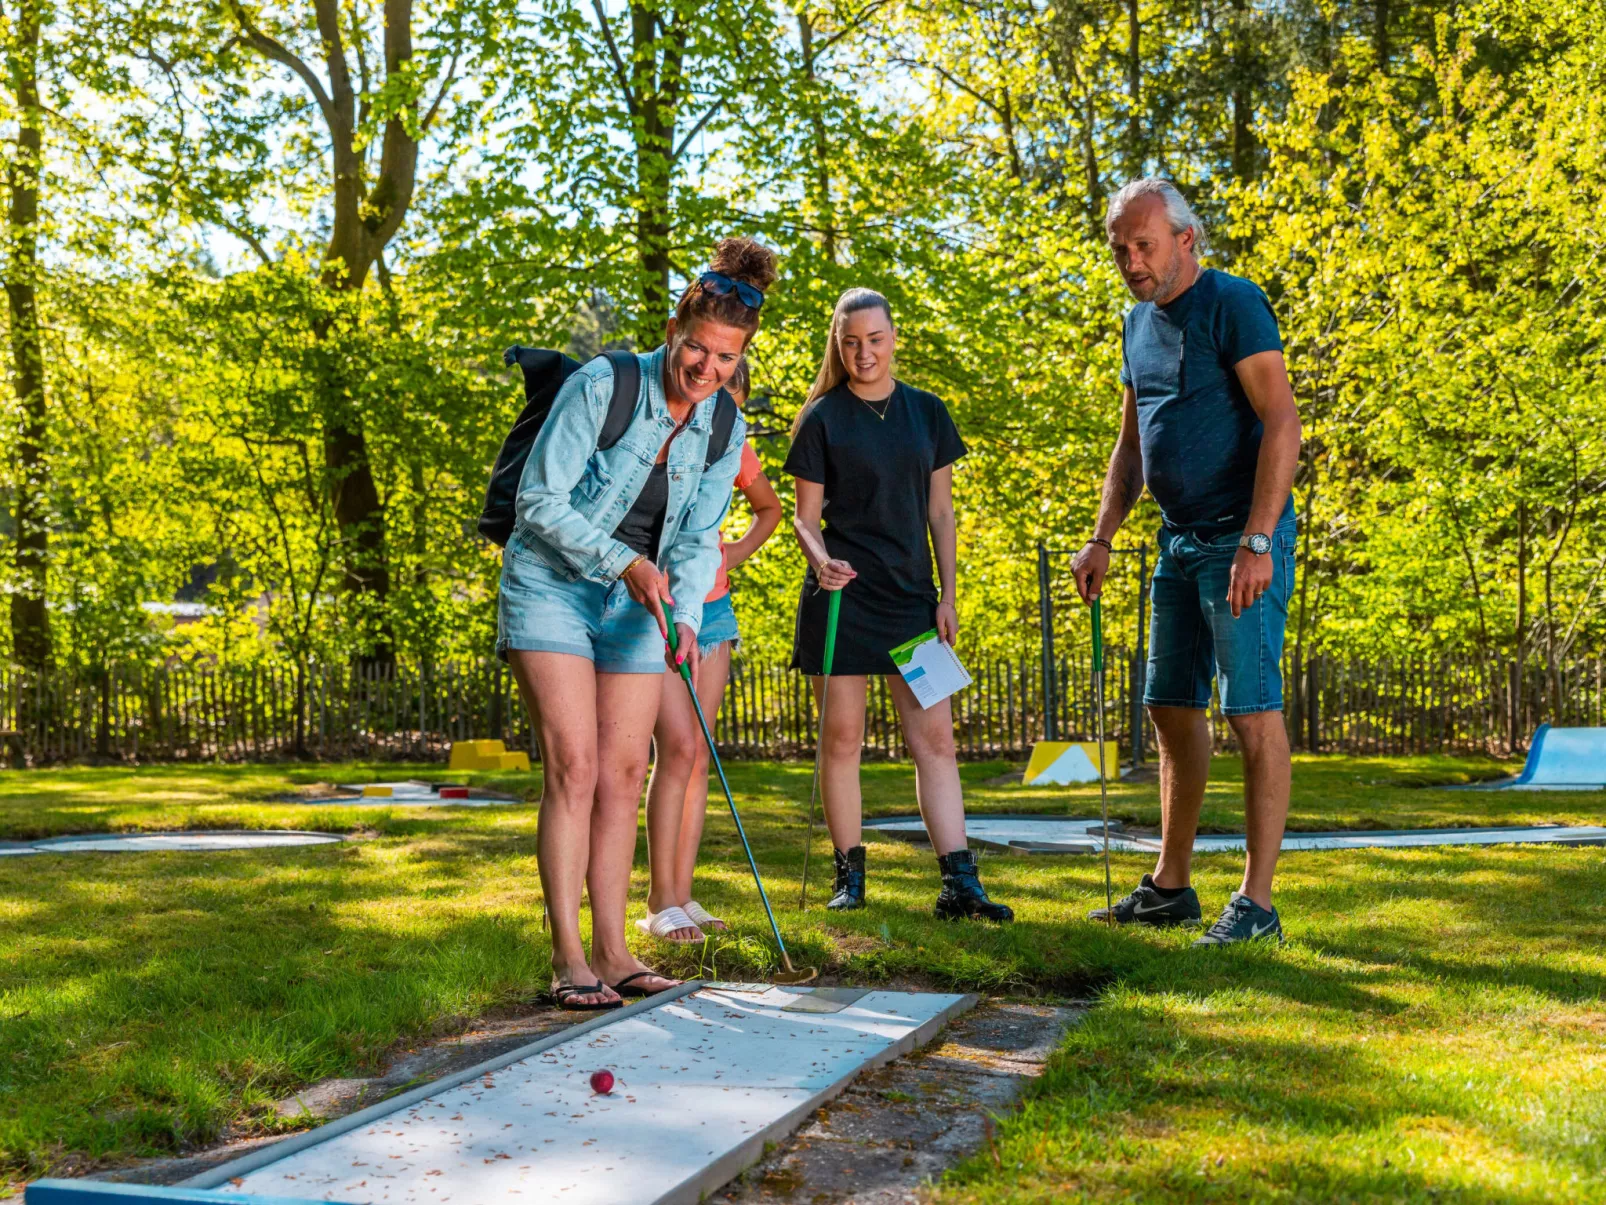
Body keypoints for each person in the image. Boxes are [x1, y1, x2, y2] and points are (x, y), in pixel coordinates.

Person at [500, 238, 777, 1008]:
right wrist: (624, 561)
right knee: (576, 768)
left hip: (642, 600)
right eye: (697, 348)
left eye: (726, 358)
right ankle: (568, 956)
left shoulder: (725, 427)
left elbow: (695, 538)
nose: (707, 369)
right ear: (673, 328)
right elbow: (539, 501)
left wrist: (688, 616)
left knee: (625, 774)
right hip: (553, 585)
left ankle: (616, 950)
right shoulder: (604, 385)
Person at [1073, 178, 1301, 946]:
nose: (1132, 262)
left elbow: (1282, 422)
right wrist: (1103, 535)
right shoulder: (1136, 324)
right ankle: (1171, 886)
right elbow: (1133, 442)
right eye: (1120, 249)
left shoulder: (1233, 303)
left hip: (1242, 538)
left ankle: (1258, 902)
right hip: (1177, 539)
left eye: (1143, 245)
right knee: (1169, 704)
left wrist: (1259, 539)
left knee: (1250, 710)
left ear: (1185, 240)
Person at [785, 287, 1013, 923]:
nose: (864, 353)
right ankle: (850, 878)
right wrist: (818, 560)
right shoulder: (822, 418)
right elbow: (805, 520)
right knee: (842, 740)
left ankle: (960, 885)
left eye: (875, 339)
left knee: (935, 742)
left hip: (913, 602)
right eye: (851, 342)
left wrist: (949, 595)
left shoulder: (927, 412)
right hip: (843, 598)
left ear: (894, 338)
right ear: (839, 344)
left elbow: (941, 511)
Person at [639, 358, 783, 943]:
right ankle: (658, 902)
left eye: (734, 395)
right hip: (658, 606)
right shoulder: (663, 436)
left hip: (714, 612)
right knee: (673, 748)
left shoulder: (735, 445)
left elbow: (769, 509)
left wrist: (728, 559)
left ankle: (682, 894)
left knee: (697, 752)